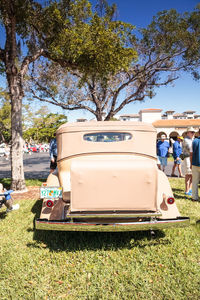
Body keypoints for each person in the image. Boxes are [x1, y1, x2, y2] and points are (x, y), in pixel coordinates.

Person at [182, 127, 195, 196]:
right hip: (187, 158)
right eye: (192, 132)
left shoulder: (192, 139)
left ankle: (190, 189)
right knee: (188, 174)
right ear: (187, 133)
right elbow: (189, 148)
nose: (193, 133)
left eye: (194, 132)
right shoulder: (186, 140)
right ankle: (187, 190)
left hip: (192, 158)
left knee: (192, 174)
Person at [191, 128, 200, 202]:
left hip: (195, 163)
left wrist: (191, 163)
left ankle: (194, 197)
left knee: (195, 181)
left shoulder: (194, 141)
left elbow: (191, 154)